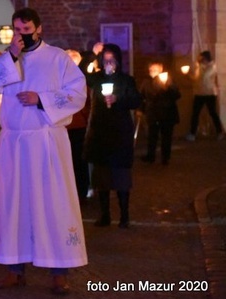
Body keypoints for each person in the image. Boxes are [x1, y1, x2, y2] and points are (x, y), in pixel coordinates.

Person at [0, 8, 87, 295]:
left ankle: (59, 271)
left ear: (39, 29)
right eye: (17, 30)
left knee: (52, 203)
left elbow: (78, 93)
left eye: (26, 30)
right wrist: (11, 56)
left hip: (46, 142)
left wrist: (42, 99)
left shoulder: (57, 58)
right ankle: (14, 269)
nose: (21, 35)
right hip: (14, 144)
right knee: (14, 204)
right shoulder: (9, 59)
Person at [84, 43, 142, 230]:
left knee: (121, 177)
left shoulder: (126, 80)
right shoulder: (97, 78)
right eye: (105, 59)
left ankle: (124, 215)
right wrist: (92, 55)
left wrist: (118, 99)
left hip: (119, 134)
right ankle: (105, 214)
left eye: (112, 60)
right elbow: (80, 73)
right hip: (101, 133)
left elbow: (136, 100)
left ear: (118, 61)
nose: (109, 63)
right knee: (102, 178)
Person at [139, 61, 181, 165]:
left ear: (161, 70)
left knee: (166, 136)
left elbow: (176, 95)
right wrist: (140, 109)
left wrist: (166, 88)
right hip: (153, 112)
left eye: (155, 70)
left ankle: (165, 157)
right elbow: (142, 96)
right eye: (151, 70)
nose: (152, 72)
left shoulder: (168, 80)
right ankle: (150, 155)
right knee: (152, 135)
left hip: (166, 112)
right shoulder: (146, 81)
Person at [65, 49, 91, 205]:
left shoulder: (79, 79)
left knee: (79, 160)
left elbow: (85, 103)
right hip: (63, 126)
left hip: (76, 126)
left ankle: (80, 191)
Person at [186, 51, 224, 141]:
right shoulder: (199, 67)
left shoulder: (212, 67)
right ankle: (192, 133)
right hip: (199, 93)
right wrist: (187, 75)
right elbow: (196, 79)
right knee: (195, 113)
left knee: (213, 113)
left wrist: (200, 66)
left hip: (209, 93)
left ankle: (219, 132)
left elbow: (205, 77)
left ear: (205, 58)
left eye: (201, 58)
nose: (199, 60)